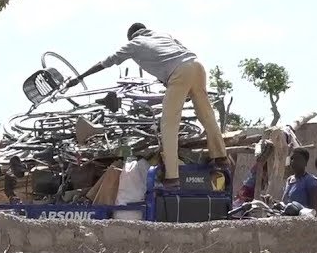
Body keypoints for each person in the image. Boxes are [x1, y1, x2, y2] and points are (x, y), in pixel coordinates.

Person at [63, 23, 230, 188]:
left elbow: (106, 62)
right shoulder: (163, 35)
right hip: (197, 67)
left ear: (132, 35)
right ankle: (221, 158)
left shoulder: (135, 43)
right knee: (207, 116)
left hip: (179, 73)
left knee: (168, 125)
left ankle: (172, 177)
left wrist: (80, 78)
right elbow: (177, 56)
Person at [282, 147, 317, 212]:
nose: (293, 161)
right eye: (292, 158)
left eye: (297, 159)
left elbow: (312, 212)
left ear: (305, 162)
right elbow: (285, 203)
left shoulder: (312, 182)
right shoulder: (289, 180)